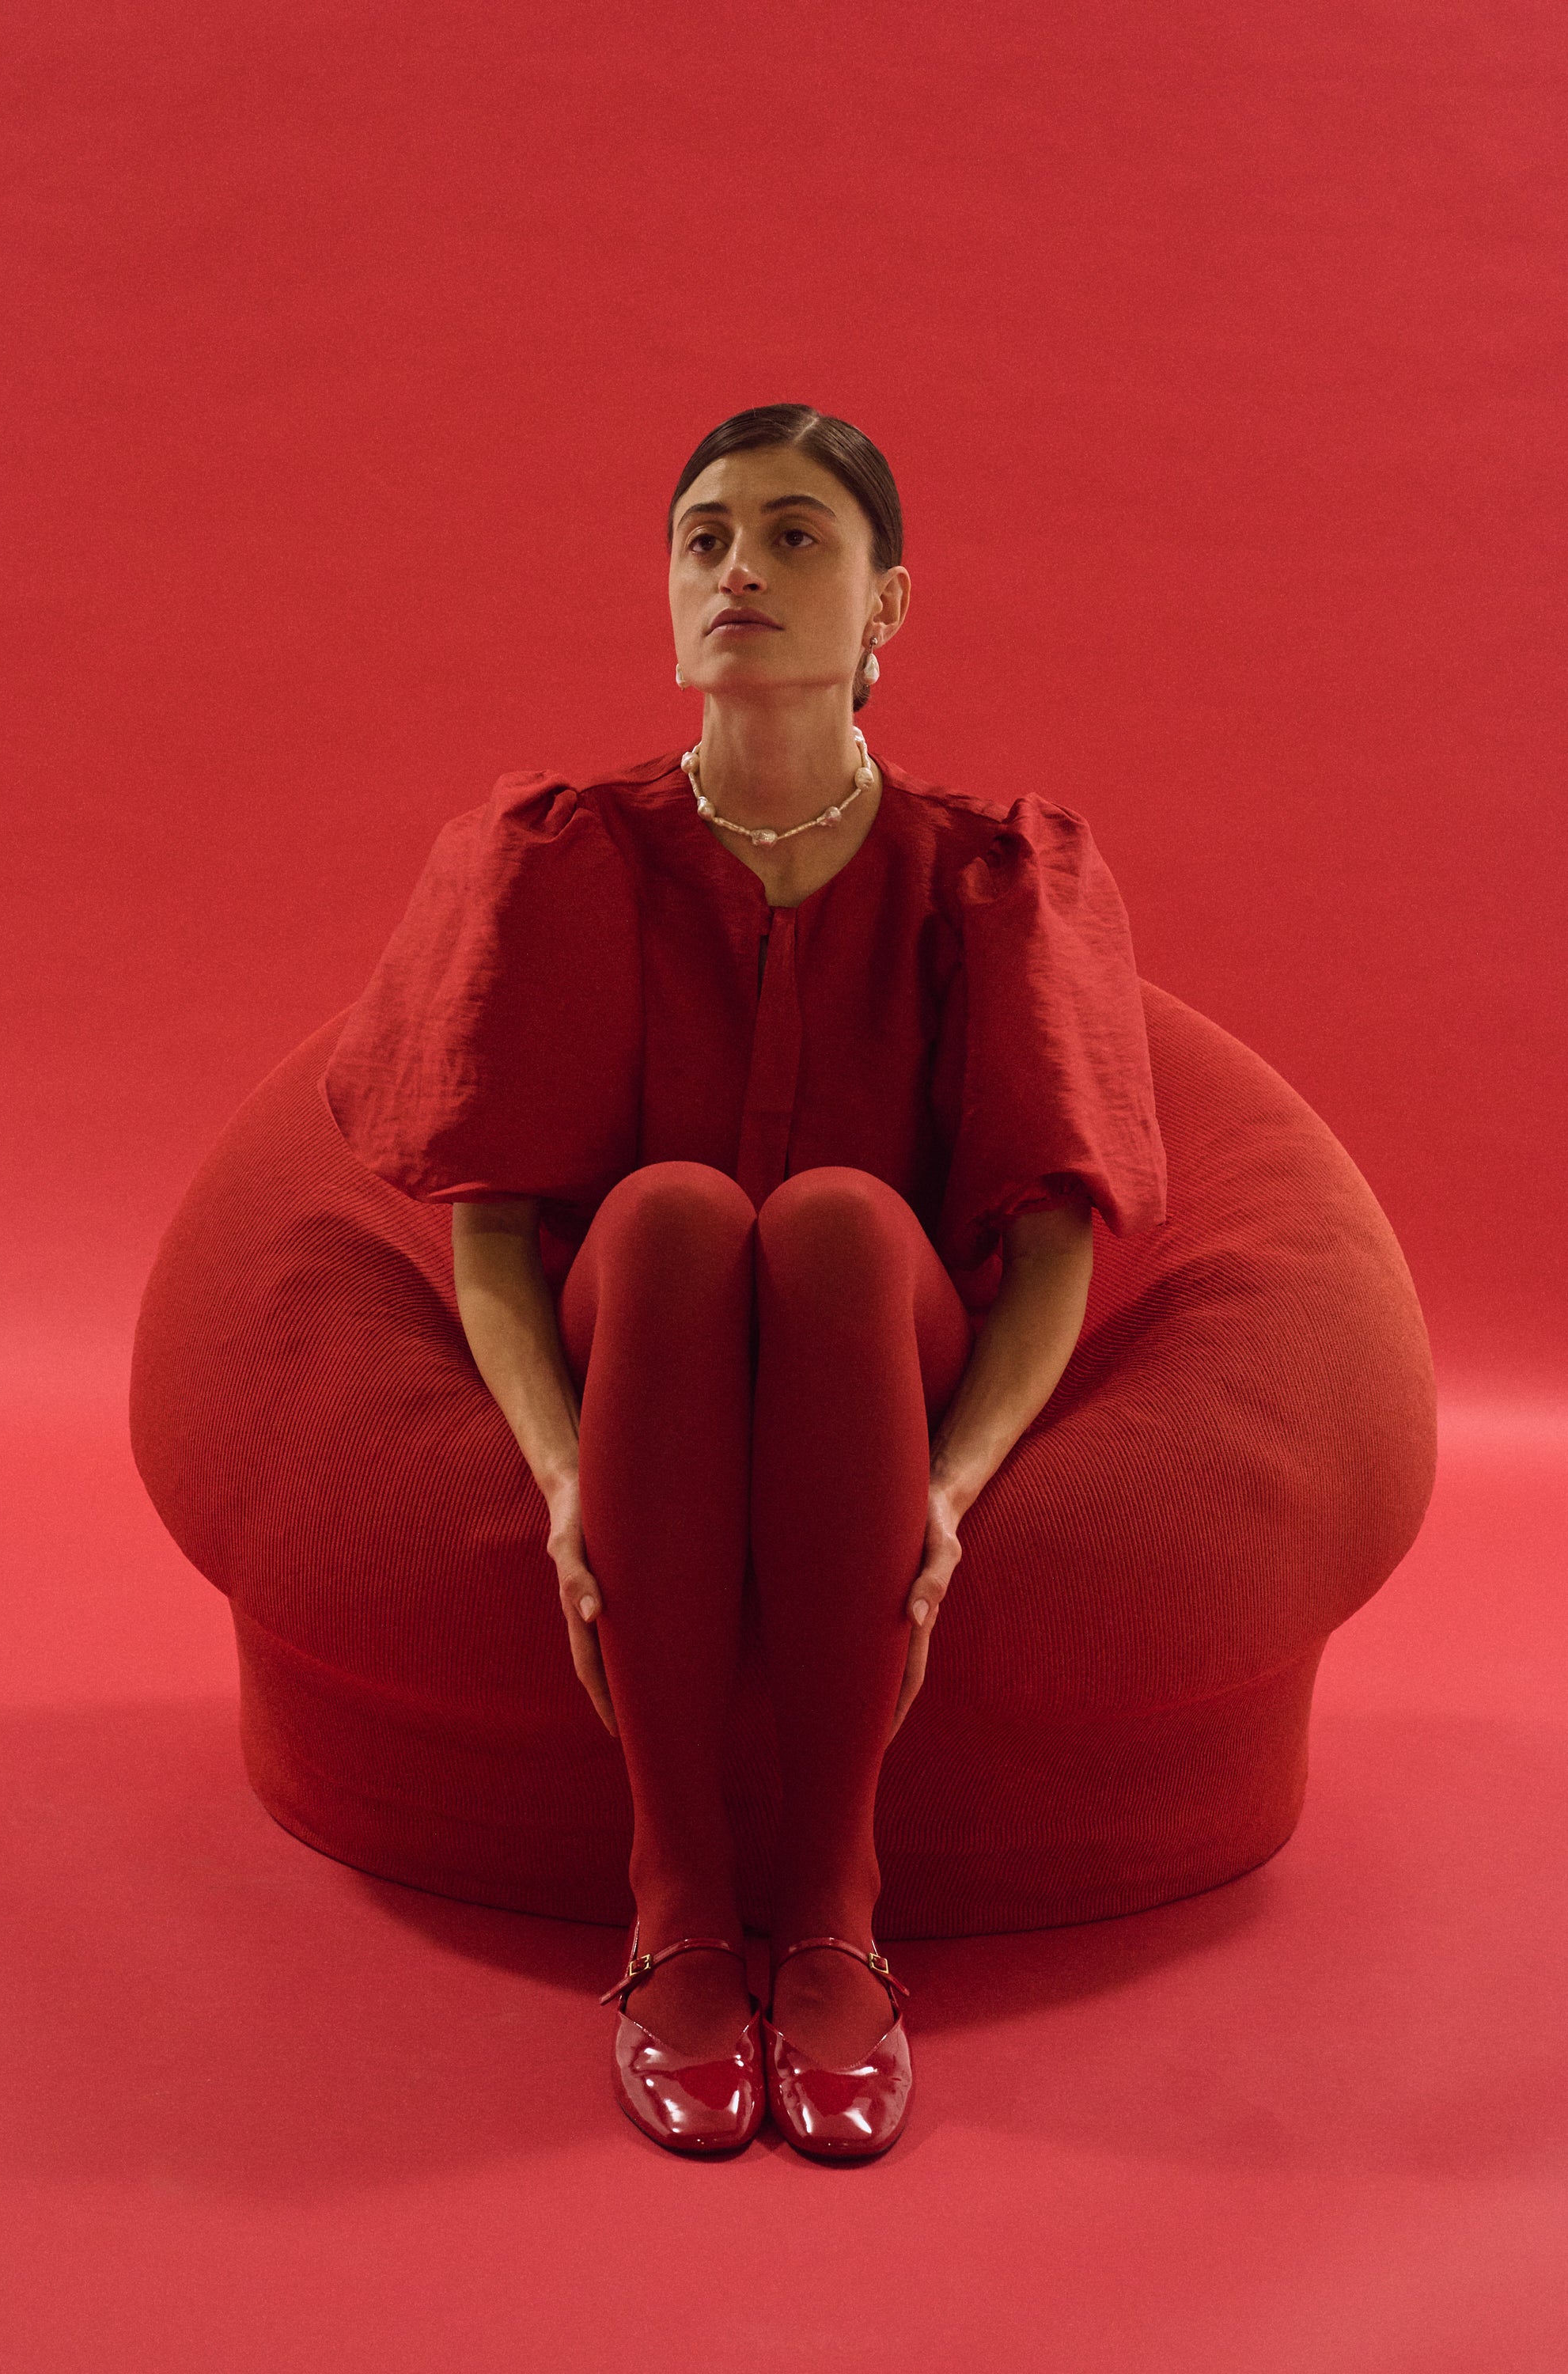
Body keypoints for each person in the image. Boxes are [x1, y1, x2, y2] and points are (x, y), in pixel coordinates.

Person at [321, 403, 1167, 2160]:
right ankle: (681, 1899)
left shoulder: (989, 873)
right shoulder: (563, 852)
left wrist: (948, 1490)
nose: (739, 571)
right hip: (641, 1324)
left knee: (843, 1218)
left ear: (887, 606)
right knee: (677, 1215)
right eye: (705, 536)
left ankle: (836, 1899)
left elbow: (1053, 1248)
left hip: (883, 1337)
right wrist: (561, 1476)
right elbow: (491, 1236)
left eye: (796, 537)